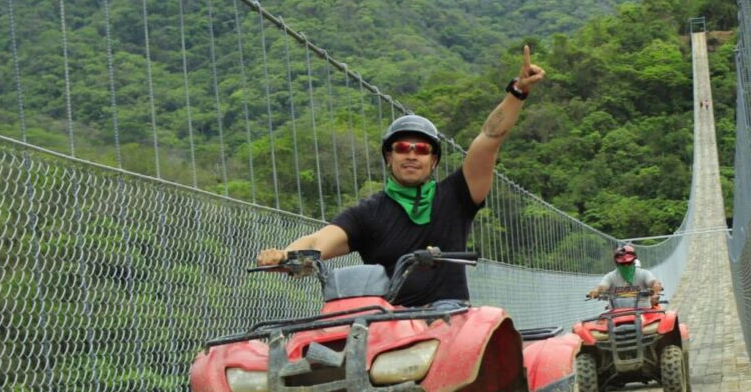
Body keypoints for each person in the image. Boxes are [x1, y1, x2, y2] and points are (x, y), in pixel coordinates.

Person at [256, 45, 545, 307]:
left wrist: (517, 91)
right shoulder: (367, 213)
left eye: (421, 149)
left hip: (447, 314)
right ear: (388, 157)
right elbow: (318, 242)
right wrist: (284, 255)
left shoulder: (457, 196)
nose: (411, 154)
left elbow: (489, 138)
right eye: (402, 147)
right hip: (385, 318)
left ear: (433, 161)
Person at [587, 244, 663, 306]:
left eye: (629, 263)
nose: (626, 266)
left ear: (634, 261)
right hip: (616, 315)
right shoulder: (610, 277)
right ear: (617, 263)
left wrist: (656, 285)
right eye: (623, 264)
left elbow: (653, 282)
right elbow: (603, 286)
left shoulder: (643, 273)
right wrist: (596, 290)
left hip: (642, 313)